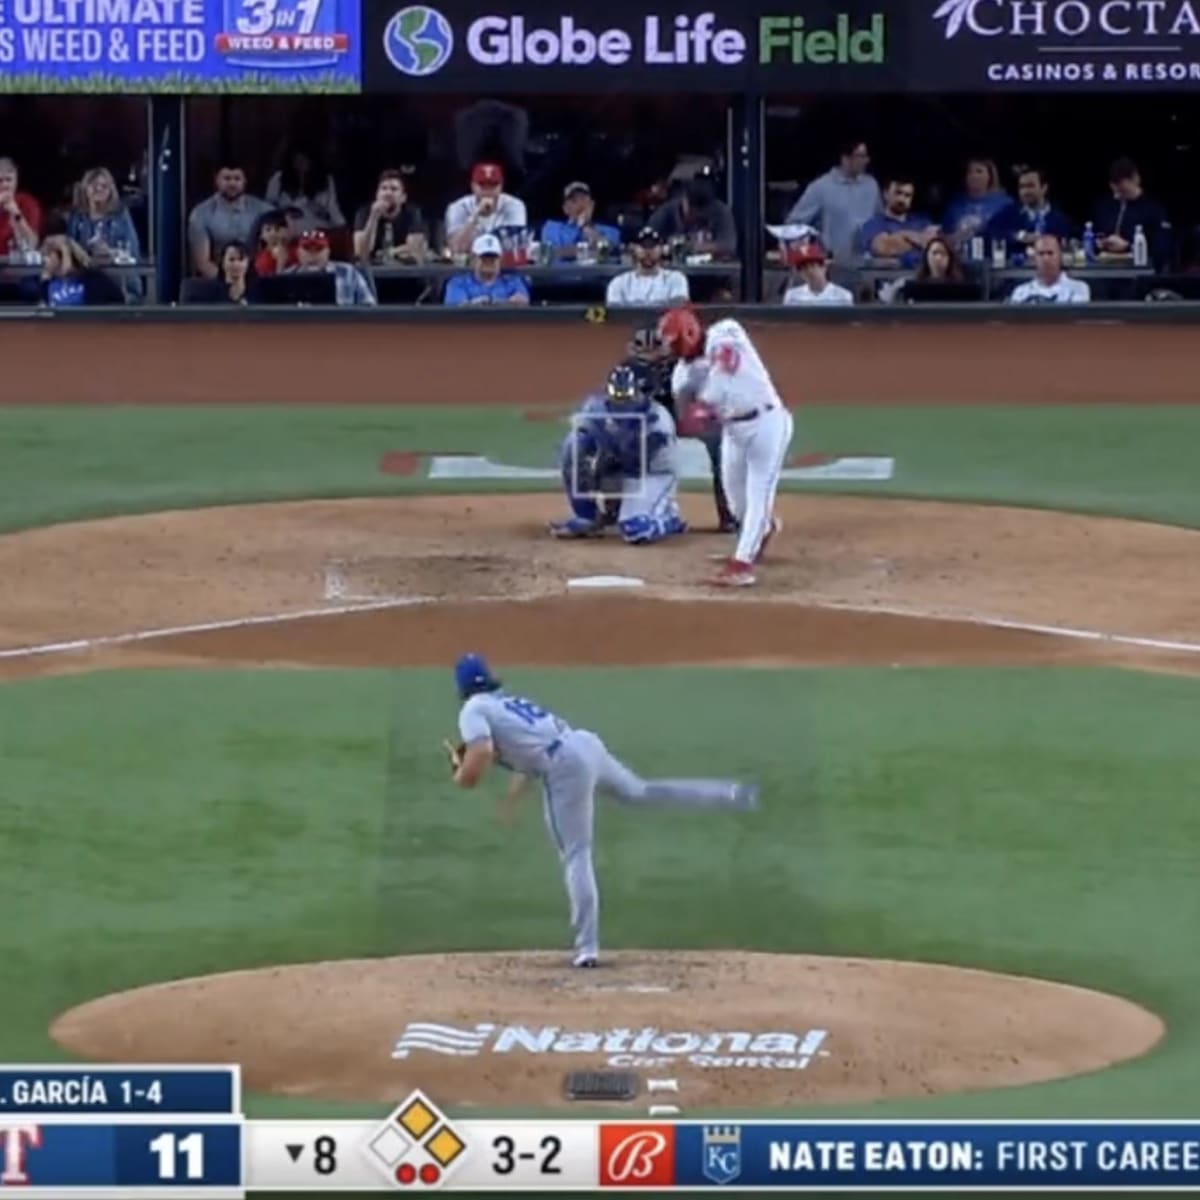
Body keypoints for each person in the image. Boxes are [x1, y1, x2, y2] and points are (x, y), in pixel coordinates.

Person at [448, 652, 759, 967]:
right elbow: (526, 757)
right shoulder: (503, 702)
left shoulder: (472, 710)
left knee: (576, 853)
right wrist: (511, 800)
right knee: (642, 792)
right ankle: (730, 794)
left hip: (565, 766)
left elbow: (481, 755)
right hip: (584, 744)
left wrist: (461, 774)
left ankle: (587, 949)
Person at [660, 305, 794, 587]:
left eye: (675, 343)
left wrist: (705, 403)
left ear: (689, 331)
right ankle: (762, 530)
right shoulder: (682, 373)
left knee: (759, 493)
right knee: (736, 502)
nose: (674, 350)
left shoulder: (726, 331)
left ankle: (742, 564)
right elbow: (685, 410)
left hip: (767, 422)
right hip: (733, 431)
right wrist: (691, 417)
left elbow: (726, 364)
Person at [548, 364, 688, 544]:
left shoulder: (657, 420)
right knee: (573, 446)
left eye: (627, 399)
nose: (622, 404)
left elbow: (639, 462)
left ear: (637, 393)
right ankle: (588, 517)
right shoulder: (596, 409)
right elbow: (581, 439)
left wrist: (609, 460)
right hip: (621, 466)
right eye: (617, 399)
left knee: (635, 530)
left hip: (653, 473)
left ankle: (670, 518)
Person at [625, 323, 736, 531]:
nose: (650, 353)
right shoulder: (625, 370)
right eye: (644, 348)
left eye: (654, 347)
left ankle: (729, 514)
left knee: (721, 447)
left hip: (681, 419)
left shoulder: (679, 366)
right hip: (645, 426)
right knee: (619, 446)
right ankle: (615, 509)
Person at [786, 139, 881, 268]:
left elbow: (881, 222)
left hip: (868, 268)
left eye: (866, 156)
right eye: (860, 156)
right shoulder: (821, 187)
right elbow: (793, 225)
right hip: (833, 267)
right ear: (845, 158)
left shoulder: (871, 186)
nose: (865, 161)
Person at [66, 166, 143, 301]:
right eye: (94, 185)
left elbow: (133, 252)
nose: (99, 189)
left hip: (119, 282)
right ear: (85, 188)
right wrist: (85, 254)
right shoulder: (77, 217)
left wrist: (111, 253)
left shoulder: (121, 215)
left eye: (104, 186)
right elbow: (69, 250)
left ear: (111, 190)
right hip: (85, 279)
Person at [188, 165, 271, 279]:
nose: (232, 184)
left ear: (244, 181)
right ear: (216, 180)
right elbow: (202, 263)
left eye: (237, 179)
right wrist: (228, 284)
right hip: (217, 282)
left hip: (259, 279)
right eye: (227, 178)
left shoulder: (263, 209)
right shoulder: (200, 214)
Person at [1093, 158, 1170, 268]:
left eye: (1122, 190)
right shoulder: (1106, 206)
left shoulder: (1154, 210)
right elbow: (1096, 232)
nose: (1117, 194)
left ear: (1135, 179)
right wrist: (1101, 242)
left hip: (1140, 271)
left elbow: (1161, 249)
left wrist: (1128, 246)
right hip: (1105, 268)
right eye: (1115, 190)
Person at [647, 164, 737, 258]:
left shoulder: (721, 212)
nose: (696, 216)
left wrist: (693, 247)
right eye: (692, 210)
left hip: (712, 270)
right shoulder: (666, 213)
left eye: (701, 211)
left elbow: (728, 246)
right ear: (684, 200)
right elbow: (645, 243)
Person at [986, 167, 1073, 257]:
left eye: (1030, 186)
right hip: (1015, 268)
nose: (1025, 191)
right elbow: (990, 232)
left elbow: (1068, 242)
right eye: (1022, 187)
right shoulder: (1009, 213)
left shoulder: (1059, 218)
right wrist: (1019, 236)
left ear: (1044, 188)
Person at [444, 161, 527, 255]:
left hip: (504, 265)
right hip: (468, 266)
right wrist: (475, 217)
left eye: (493, 185)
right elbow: (456, 249)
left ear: (501, 186)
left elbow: (515, 247)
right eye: (482, 185)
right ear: (473, 186)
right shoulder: (458, 207)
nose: (488, 191)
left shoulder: (514, 206)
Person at [353, 169, 428, 265]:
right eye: (383, 188)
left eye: (394, 189)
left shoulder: (412, 212)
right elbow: (361, 252)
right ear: (377, 194)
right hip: (372, 272)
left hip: (404, 271)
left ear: (403, 197)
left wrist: (390, 252)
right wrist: (373, 218)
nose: (388, 193)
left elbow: (415, 249)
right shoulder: (364, 213)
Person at [859, 176, 938, 267]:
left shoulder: (923, 222)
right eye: (898, 193)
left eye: (907, 195)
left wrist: (896, 238)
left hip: (920, 279)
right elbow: (884, 248)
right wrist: (915, 238)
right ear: (886, 194)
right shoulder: (874, 224)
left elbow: (934, 247)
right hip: (889, 279)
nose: (902, 199)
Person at [265, 141, 344, 231]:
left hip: (316, 229)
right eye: (297, 158)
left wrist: (342, 227)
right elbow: (267, 210)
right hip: (285, 230)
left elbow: (334, 211)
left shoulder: (326, 181)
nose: (301, 162)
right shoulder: (278, 179)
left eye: (305, 158)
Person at [285, 228, 376, 306]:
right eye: (307, 249)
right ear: (298, 253)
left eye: (319, 249)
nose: (313, 255)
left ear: (328, 252)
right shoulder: (286, 277)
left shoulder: (348, 273)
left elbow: (369, 309)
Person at [605, 227, 689, 307]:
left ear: (661, 249)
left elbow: (678, 312)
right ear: (634, 249)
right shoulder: (619, 283)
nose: (648, 251)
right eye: (643, 246)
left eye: (652, 246)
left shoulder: (676, 279)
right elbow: (615, 317)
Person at [539, 181, 621, 261]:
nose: (580, 204)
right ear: (565, 208)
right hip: (563, 274)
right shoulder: (552, 228)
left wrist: (585, 226)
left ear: (592, 205)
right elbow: (552, 252)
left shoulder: (610, 231)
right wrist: (590, 251)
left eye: (584, 199)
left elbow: (607, 251)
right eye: (574, 201)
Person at [443, 233, 530, 306]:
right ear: (473, 259)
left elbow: (523, 301)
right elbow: (457, 310)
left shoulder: (512, 280)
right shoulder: (458, 282)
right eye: (484, 258)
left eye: (492, 258)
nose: (488, 262)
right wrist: (476, 304)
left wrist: (497, 303)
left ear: (500, 259)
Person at [36, 234, 124, 307]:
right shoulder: (48, 284)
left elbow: (118, 301)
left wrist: (66, 249)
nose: (45, 260)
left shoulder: (94, 280)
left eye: (49, 255)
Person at [942, 158, 1010, 248]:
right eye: (970, 172)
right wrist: (957, 237)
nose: (974, 176)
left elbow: (1011, 235)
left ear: (990, 176)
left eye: (979, 171)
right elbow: (943, 238)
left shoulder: (1005, 204)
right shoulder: (955, 205)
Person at [1007, 234, 1090, 304]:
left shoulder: (1078, 288)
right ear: (1034, 259)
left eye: (1050, 253)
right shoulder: (1020, 292)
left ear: (1060, 256)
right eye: (1041, 254)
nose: (1046, 258)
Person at [782, 241, 854, 305]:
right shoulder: (792, 296)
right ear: (800, 273)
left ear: (824, 267)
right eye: (804, 268)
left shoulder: (843, 296)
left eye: (813, 266)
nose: (809, 271)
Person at [184, 241, 257, 304]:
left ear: (248, 263)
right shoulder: (210, 293)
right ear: (222, 263)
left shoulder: (258, 291)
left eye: (241, 259)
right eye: (231, 259)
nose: (236, 264)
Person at [0, 156, 42, 256]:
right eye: (0, 181)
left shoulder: (29, 203)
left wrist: (17, 214)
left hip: (17, 264)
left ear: (16, 181)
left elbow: (32, 244)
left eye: (8, 180)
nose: (4, 185)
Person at [253, 210, 297, 277]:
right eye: (268, 229)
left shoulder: (297, 249)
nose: (273, 233)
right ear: (261, 235)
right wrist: (281, 263)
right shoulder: (262, 260)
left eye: (277, 229)